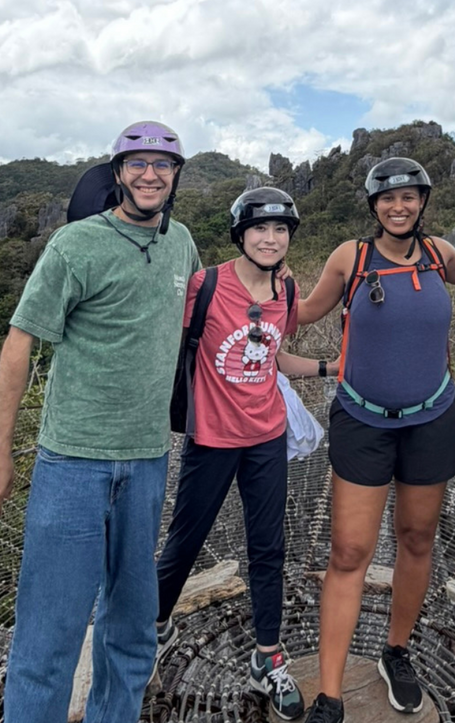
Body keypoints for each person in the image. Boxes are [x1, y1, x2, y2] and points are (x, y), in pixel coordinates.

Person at [0, 120, 200, 722]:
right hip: (73, 462)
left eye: (163, 164)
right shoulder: (74, 245)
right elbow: (19, 342)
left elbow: (198, 327)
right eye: (138, 163)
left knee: (130, 629)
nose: (150, 174)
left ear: (176, 176)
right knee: (49, 636)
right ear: (118, 173)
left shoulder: (182, 244)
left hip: (149, 460)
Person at [295, 158, 455, 723]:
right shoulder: (351, 257)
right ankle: (329, 693)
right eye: (388, 199)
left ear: (422, 202)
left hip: (432, 416)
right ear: (373, 206)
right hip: (364, 418)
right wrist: (234, 295)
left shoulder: (440, 255)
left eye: (410, 198)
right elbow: (298, 313)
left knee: (417, 539)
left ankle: (395, 653)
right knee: (349, 552)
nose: (399, 207)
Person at [153, 187, 332, 721]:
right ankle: (156, 624)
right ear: (240, 235)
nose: (271, 238)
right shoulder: (205, 286)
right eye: (260, 229)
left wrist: (329, 368)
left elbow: (273, 357)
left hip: (265, 437)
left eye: (280, 230)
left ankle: (267, 655)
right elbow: (166, 348)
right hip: (211, 437)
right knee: (185, 539)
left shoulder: (287, 291)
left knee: (268, 547)